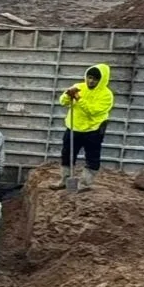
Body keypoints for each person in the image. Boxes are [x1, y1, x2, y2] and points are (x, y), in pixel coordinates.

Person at [51, 64, 114, 192]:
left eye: (95, 79)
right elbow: (63, 102)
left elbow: (93, 111)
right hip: (74, 126)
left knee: (92, 157)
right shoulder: (78, 87)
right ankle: (65, 180)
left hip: (94, 130)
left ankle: (85, 183)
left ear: (101, 80)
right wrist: (68, 95)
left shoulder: (107, 95)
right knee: (67, 154)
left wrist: (78, 99)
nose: (91, 81)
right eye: (89, 77)